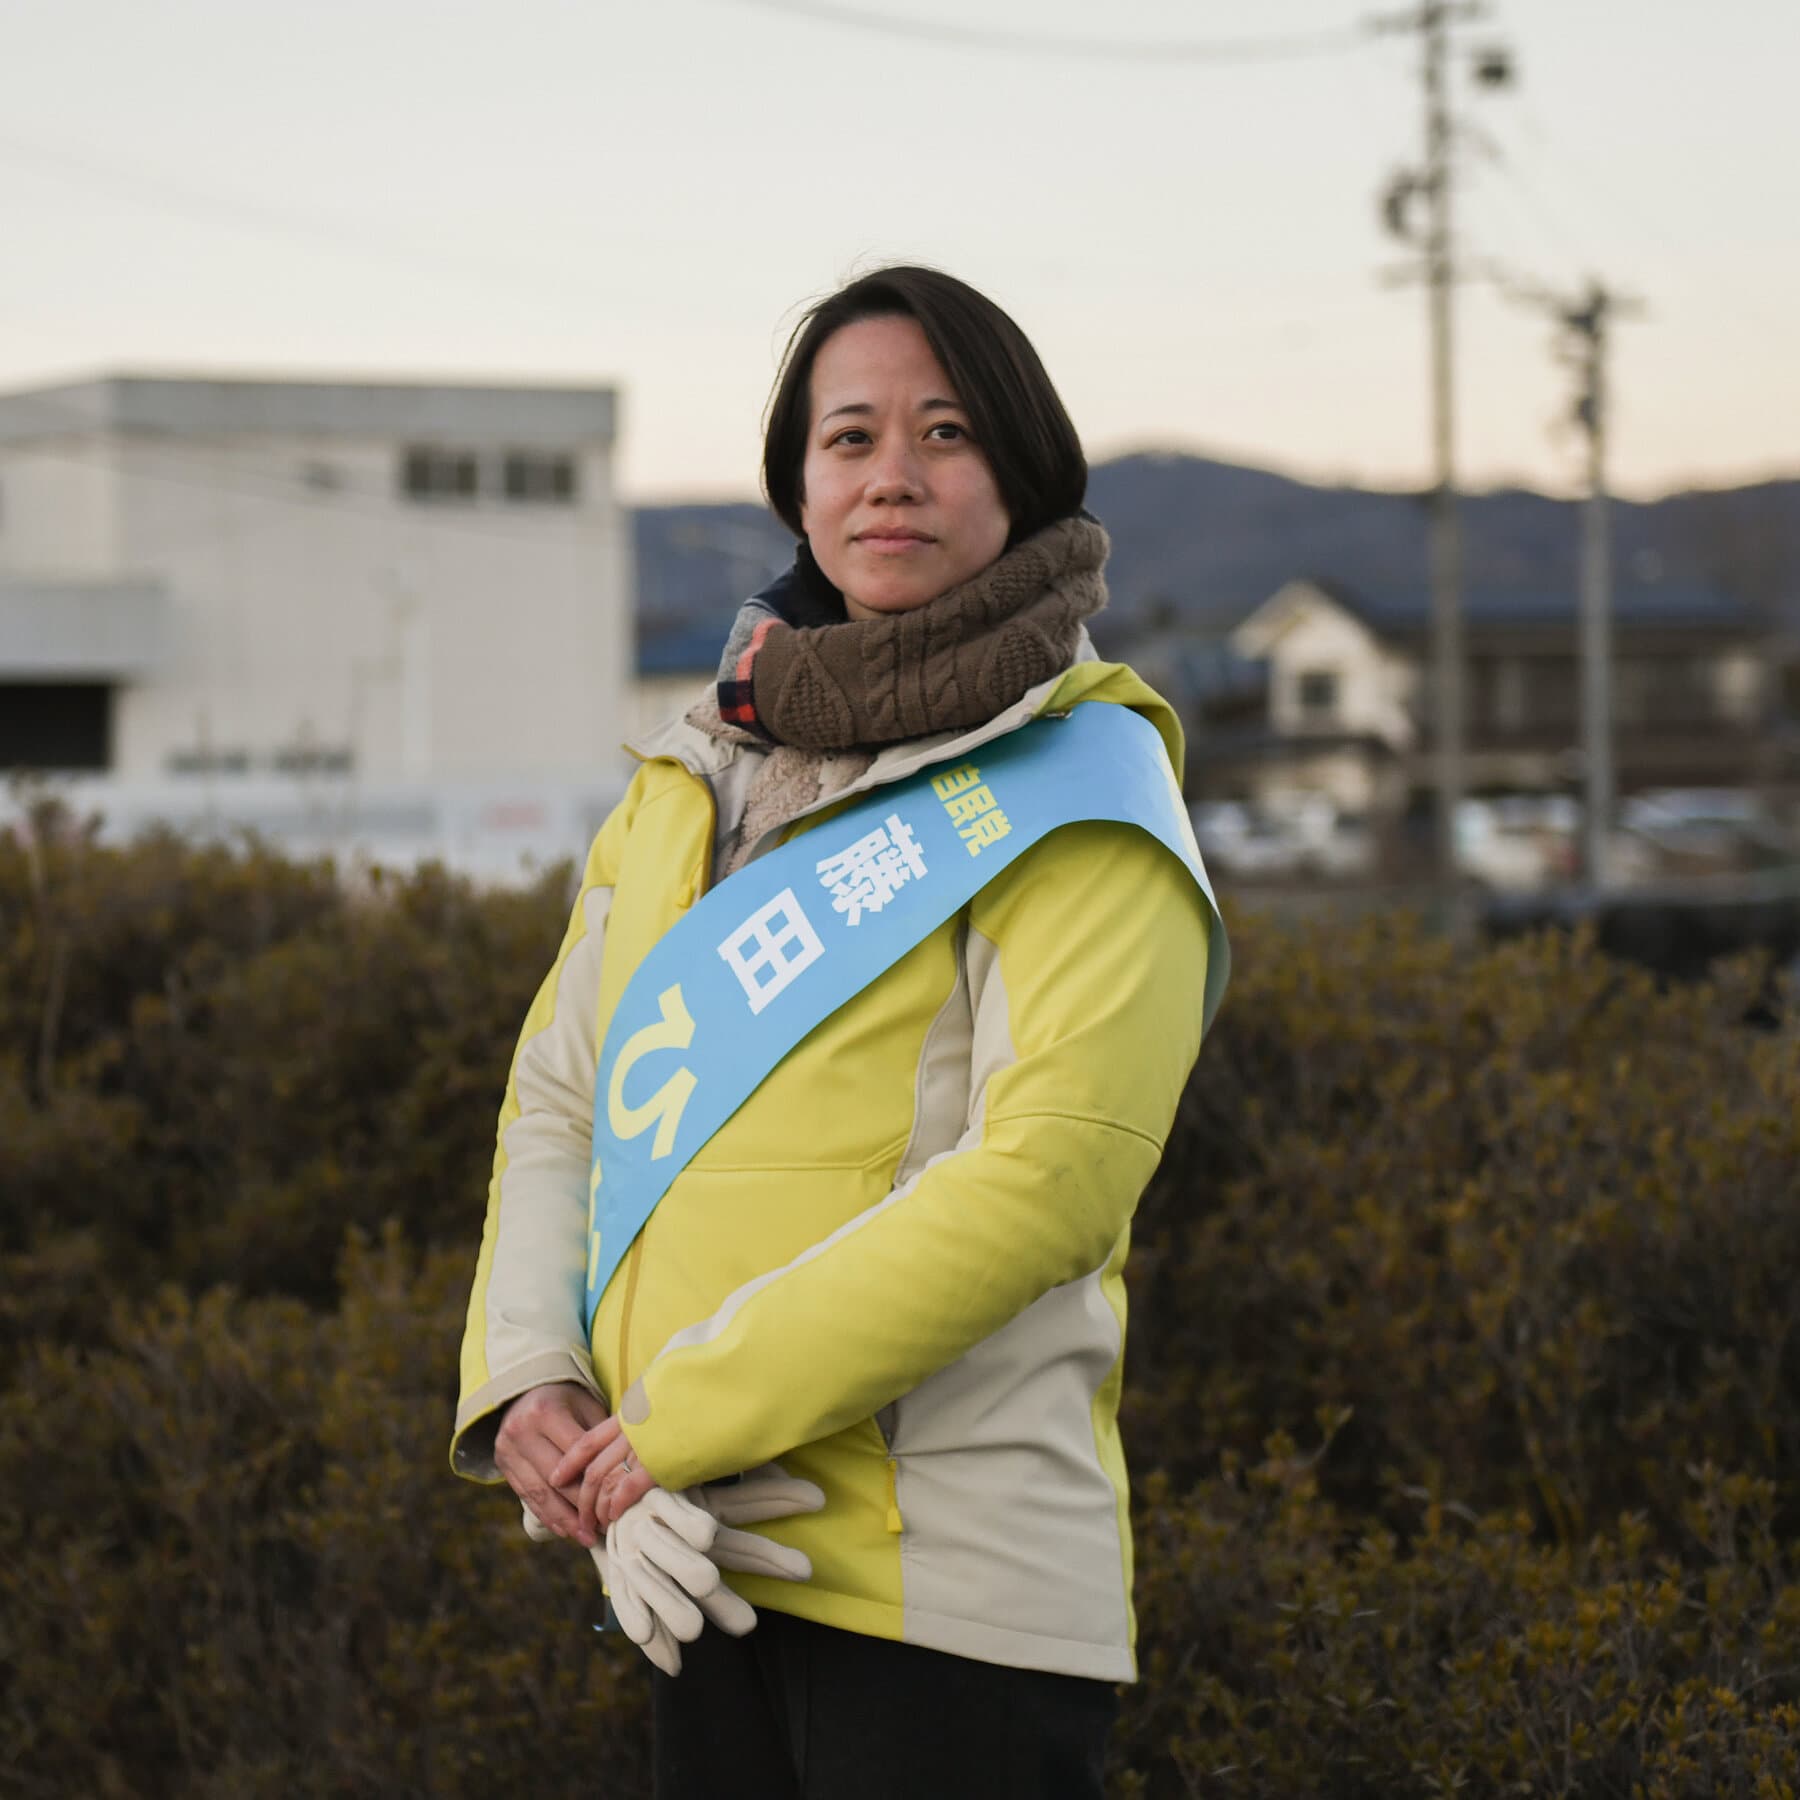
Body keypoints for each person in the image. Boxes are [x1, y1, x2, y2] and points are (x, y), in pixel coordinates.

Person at [451, 265, 1226, 1799]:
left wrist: (674, 1418)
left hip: (954, 1600)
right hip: (687, 1552)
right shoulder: (692, 779)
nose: (892, 476)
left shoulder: (1085, 782)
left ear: (1023, 471)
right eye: (850, 436)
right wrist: (535, 1384)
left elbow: (1049, 1180)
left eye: (947, 433)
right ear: (797, 486)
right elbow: (564, 1104)